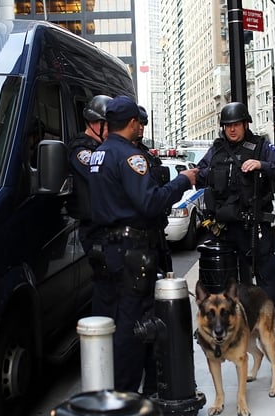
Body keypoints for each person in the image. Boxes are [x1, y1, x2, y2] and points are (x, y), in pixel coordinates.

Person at [88, 95, 198, 393]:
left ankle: (116, 388)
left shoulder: (99, 153)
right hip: (131, 252)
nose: (141, 128)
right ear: (133, 123)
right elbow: (150, 202)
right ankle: (128, 394)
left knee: (110, 322)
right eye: (139, 123)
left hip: (107, 249)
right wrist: (183, 181)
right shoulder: (129, 156)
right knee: (133, 325)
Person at [196, 101, 275, 343]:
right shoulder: (216, 150)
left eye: (236, 124)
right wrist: (209, 175)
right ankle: (230, 323)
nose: (232, 130)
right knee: (227, 281)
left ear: (245, 124)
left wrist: (262, 165)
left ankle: (274, 324)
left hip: (254, 227)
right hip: (225, 229)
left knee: (267, 276)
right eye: (227, 125)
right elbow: (199, 174)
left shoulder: (260, 146)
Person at [66, 94, 113, 316]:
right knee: (105, 288)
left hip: (106, 229)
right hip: (94, 230)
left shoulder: (103, 147)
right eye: (108, 125)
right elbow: (100, 174)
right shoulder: (81, 149)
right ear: (95, 123)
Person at [135, 105, 172, 275]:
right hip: (137, 232)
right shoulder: (126, 154)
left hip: (156, 228)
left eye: (143, 123)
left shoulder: (148, 154)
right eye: (138, 123)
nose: (141, 127)